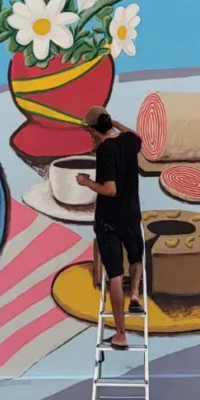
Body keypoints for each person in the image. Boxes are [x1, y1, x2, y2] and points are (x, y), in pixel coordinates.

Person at [75, 105, 145, 350]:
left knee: (115, 276)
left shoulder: (105, 150)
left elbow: (110, 190)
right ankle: (135, 295)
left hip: (109, 220)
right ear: (110, 122)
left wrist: (87, 182)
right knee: (136, 257)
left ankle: (121, 334)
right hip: (131, 214)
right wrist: (117, 124)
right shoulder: (127, 141)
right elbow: (138, 138)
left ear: (94, 130)